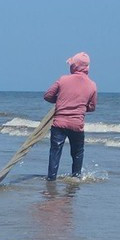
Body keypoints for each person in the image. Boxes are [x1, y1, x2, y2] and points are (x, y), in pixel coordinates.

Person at [43, 52, 97, 180]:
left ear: (74, 67)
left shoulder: (63, 80)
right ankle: (76, 177)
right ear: (87, 68)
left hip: (59, 123)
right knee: (77, 153)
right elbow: (92, 107)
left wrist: (62, 101)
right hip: (76, 124)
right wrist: (79, 106)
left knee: (55, 151)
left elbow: (48, 96)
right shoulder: (92, 85)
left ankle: (51, 178)